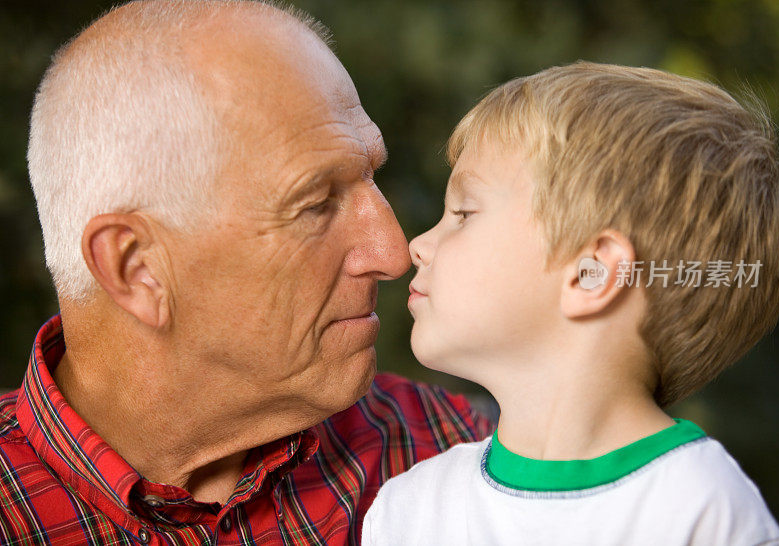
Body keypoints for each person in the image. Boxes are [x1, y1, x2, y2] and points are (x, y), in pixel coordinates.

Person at [0, 1, 493, 544]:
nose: (394, 253)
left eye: (371, 176)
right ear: (137, 268)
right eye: (315, 203)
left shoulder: (451, 454)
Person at [362, 62, 779, 545]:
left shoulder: (702, 511)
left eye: (464, 213)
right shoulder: (408, 510)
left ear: (593, 275)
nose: (417, 245)